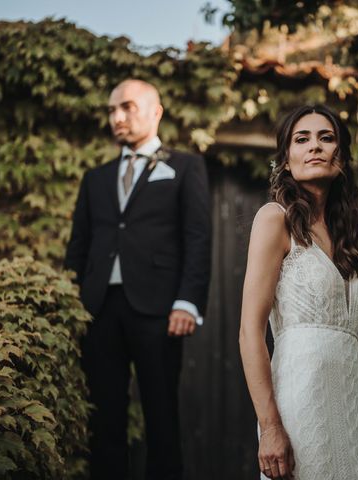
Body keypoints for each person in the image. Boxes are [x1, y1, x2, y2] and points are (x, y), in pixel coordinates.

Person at [64, 79, 211, 480]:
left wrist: (187, 302)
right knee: (104, 420)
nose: (116, 117)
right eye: (112, 110)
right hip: (99, 311)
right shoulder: (95, 178)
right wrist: (73, 304)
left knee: (161, 418)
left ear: (156, 111)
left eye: (126, 107)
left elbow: (197, 238)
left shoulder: (185, 166)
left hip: (159, 311)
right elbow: (78, 247)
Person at [239, 104, 358, 480]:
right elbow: (249, 333)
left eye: (327, 138)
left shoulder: (345, 237)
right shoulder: (274, 219)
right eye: (302, 139)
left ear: (342, 157)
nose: (316, 147)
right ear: (286, 160)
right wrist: (271, 427)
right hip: (299, 404)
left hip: (350, 404)